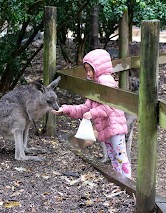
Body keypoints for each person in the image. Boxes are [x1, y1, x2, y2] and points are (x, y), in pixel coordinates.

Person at [52, 49, 131, 178]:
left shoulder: (106, 81)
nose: (88, 74)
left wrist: (93, 113)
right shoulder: (95, 85)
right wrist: (65, 109)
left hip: (114, 126)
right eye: (86, 70)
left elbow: (110, 105)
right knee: (114, 157)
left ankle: (127, 181)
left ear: (98, 68)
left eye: (90, 70)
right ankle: (121, 181)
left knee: (120, 157)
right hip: (106, 128)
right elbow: (85, 108)